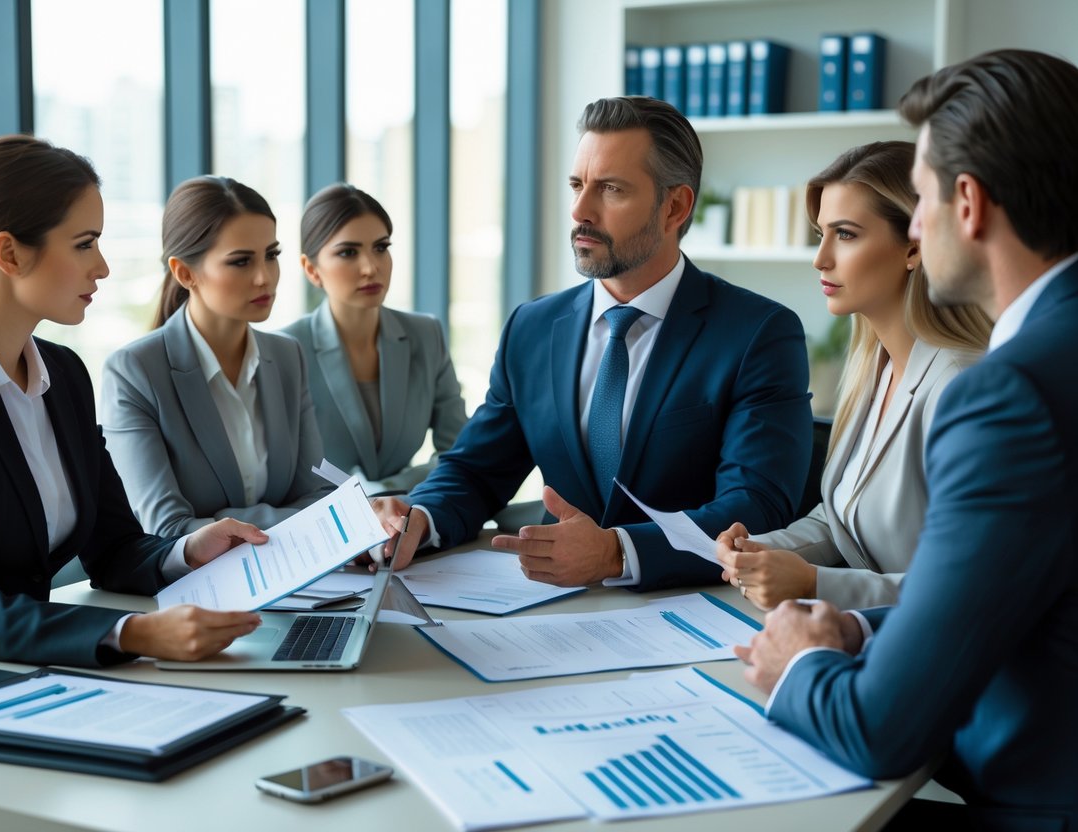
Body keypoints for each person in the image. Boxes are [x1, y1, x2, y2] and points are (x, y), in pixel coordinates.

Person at [737, 49, 1078, 828]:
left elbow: (877, 731)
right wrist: (854, 626)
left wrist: (801, 663)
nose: (917, 229)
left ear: (968, 203)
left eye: (919, 200)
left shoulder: (1007, 392)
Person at [375, 95, 813, 590]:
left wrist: (617, 552)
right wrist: (419, 518)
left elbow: (756, 503)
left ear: (675, 207)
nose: (581, 210)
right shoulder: (533, 327)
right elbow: (477, 470)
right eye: (577, 185)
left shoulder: (758, 332)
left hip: (695, 610)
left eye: (610, 189)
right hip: (552, 613)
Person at [0, 136, 265, 667]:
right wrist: (132, 634)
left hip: (24, 664)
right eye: (84, 244)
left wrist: (189, 550)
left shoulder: (65, 374)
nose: (101, 267)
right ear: (8, 253)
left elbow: (114, 547)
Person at [716, 142, 990, 611]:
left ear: (914, 246)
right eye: (821, 233)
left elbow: (975, 590)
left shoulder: (962, 388)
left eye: (845, 235)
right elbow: (843, 515)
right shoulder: (875, 366)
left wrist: (813, 583)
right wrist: (766, 550)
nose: (820, 258)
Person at [101, 176, 331, 537]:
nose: (264, 277)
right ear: (185, 272)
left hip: (293, 583)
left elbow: (320, 495)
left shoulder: (287, 356)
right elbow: (167, 528)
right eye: (240, 262)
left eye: (271, 255)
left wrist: (222, 521)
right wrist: (290, 519)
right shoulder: (135, 371)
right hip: (182, 589)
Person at [281, 183, 468, 495]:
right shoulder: (284, 351)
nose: (370, 267)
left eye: (381, 247)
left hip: (408, 519)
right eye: (348, 252)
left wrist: (387, 492)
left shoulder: (425, 335)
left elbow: (461, 452)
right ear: (311, 269)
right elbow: (278, 480)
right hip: (322, 529)